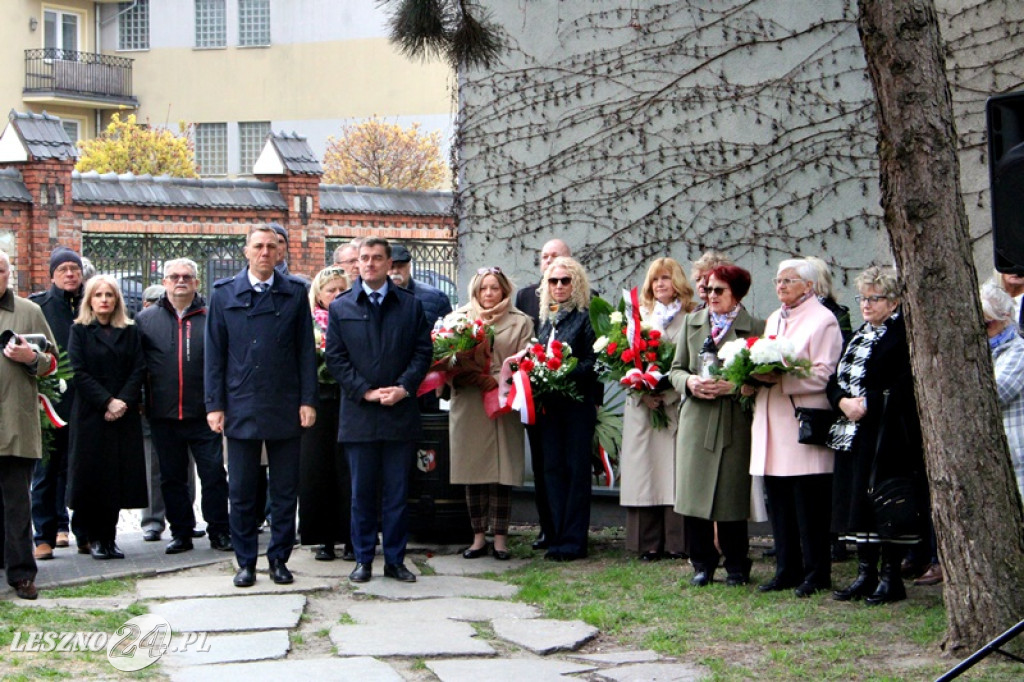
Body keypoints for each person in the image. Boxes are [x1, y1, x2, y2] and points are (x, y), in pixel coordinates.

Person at [205, 225, 318, 588]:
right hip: (240, 403)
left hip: (285, 402)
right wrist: (214, 405)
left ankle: (280, 559)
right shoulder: (224, 294)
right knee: (241, 491)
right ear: (246, 252)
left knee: (285, 490)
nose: (265, 252)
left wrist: (307, 400)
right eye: (258, 246)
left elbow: (305, 351)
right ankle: (246, 563)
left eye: (271, 246)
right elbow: (214, 354)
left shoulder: (295, 293)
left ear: (280, 252)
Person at [326, 237, 432, 584]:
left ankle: (395, 561)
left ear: (390, 264)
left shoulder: (409, 305)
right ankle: (362, 559)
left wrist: (403, 388)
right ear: (356, 264)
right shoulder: (342, 306)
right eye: (363, 259)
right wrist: (365, 391)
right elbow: (336, 358)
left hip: (399, 413)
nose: (369, 264)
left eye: (376, 258)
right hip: (360, 414)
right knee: (362, 495)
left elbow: (422, 353)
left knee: (397, 494)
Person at [827, 266, 927, 604]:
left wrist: (868, 403)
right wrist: (842, 401)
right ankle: (865, 574)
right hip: (850, 430)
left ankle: (890, 577)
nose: (866, 305)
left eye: (875, 298)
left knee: (882, 502)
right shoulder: (859, 333)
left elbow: (905, 381)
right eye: (863, 298)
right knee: (857, 505)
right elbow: (835, 378)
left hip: (886, 434)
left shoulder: (902, 335)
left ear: (895, 301)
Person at [750, 258, 843, 597]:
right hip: (772, 420)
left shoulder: (824, 320)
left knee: (809, 505)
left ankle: (817, 572)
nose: (781, 286)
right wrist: (751, 377)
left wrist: (782, 377)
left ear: (809, 285)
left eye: (789, 280)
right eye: (777, 280)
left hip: (801, 422)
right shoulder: (775, 318)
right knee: (780, 503)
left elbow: (824, 374)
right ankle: (786, 569)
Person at [670, 265, 763, 585]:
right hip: (696, 418)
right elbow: (675, 370)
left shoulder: (755, 328)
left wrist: (734, 386)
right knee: (694, 495)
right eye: (707, 290)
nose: (710, 296)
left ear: (736, 293)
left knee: (731, 495)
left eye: (718, 291)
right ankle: (702, 563)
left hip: (733, 420)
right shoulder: (691, 324)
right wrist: (691, 383)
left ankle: (737, 563)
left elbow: (763, 378)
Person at [137, 259, 232, 555]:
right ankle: (180, 532)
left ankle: (219, 530)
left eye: (186, 276)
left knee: (214, 475)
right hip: (163, 413)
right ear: (164, 282)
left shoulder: (212, 316)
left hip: (205, 413)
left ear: (196, 282)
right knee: (171, 478)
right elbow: (137, 365)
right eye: (174, 276)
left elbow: (225, 362)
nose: (180, 281)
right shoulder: (146, 319)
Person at [447, 267, 534, 560]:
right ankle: (477, 538)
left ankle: (500, 539)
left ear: (504, 290)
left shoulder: (521, 322)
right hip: (471, 400)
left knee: (501, 471)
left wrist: (506, 379)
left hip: (504, 399)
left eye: (494, 288)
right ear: (475, 291)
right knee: (474, 470)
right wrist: (467, 372)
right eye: (483, 288)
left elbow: (529, 360)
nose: (488, 294)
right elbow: (444, 361)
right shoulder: (458, 319)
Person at [66, 275, 148, 561]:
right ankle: (93, 538)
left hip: (122, 415)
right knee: (92, 478)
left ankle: (110, 538)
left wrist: (122, 401)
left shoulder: (129, 330)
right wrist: (108, 401)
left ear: (117, 300)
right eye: (98, 295)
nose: (104, 299)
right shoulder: (79, 331)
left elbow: (139, 367)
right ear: (89, 300)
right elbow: (78, 372)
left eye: (109, 295)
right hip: (92, 413)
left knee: (116, 478)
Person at [620, 258, 695, 562]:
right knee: (645, 472)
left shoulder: (691, 316)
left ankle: (677, 543)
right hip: (642, 406)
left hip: (675, 403)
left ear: (678, 281)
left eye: (666, 278)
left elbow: (691, 362)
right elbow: (622, 359)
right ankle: (647, 543)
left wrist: (667, 394)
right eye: (655, 280)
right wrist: (641, 392)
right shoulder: (638, 316)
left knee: (673, 474)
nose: (660, 284)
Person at [1, 249, 58, 599]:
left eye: (0, 270)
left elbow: (53, 363)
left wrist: (31, 358)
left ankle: (22, 574)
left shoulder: (28, 311)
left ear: (9, 274)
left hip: (14, 423)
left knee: (16, 505)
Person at [535, 256, 598, 561]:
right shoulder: (547, 317)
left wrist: (563, 370)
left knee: (575, 472)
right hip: (549, 405)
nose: (559, 286)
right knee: (551, 470)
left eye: (565, 280)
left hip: (577, 404)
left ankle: (573, 541)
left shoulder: (585, 316)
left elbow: (592, 362)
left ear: (576, 283)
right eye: (553, 281)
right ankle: (556, 536)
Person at [28, 246, 86, 559]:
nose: (69, 274)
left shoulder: (92, 302)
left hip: (86, 401)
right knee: (46, 472)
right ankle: (44, 536)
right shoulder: (39, 307)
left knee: (83, 469)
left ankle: (86, 533)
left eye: (74, 269)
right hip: (51, 402)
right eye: (62, 269)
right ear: (52, 275)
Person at [514, 238, 571, 550]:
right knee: (541, 464)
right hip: (535, 397)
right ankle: (546, 527)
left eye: (556, 256)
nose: (549, 261)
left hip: (571, 395)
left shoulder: (584, 296)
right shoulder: (525, 296)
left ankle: (568, 527)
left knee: (568, 465)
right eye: (545, 257)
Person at [299, 266, 353, 562]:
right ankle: (324, 539)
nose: (336, 295)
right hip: (317, 402)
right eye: (330, 290)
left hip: (349, 400)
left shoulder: (354, 317)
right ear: (318, 294)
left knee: (348, 470)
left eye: (341, 289)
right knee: (317, 471)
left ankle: (351, 537)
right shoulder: (308, 323)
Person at [388, 243, 453, 413]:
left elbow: (448, 341)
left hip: (426, 382)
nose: (395, 271)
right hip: (386, 383)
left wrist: (444, 379)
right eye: (391, 266)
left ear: (409, 266)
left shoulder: (435, 298)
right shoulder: (373, 299)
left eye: (400, 266)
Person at [983, 280, 1024, 505]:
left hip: (1019, 463)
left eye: (987, 325)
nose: (983, 332)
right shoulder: (985, 354)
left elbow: (995, 394)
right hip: (1000, 464)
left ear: (1005, 318)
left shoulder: (1019, 352)